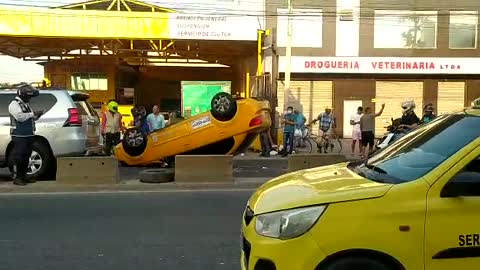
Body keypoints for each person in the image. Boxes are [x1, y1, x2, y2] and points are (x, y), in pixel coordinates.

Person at [8, 84, 42, 185]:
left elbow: (30, 117)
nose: (30, 99)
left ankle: (24, 175)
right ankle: (18, 178)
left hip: (28, 134)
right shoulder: (14, 104)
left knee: (26, 156)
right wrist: (32, 114)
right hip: (19, 135)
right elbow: (20, 117)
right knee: (19, 156)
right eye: (29, 96)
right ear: (23, 95)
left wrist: (37, 115)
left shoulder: (25, 105)